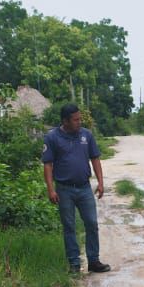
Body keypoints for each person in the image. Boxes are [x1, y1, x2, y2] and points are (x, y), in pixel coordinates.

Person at [42, 103, 111, 273]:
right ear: (65, 121)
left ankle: (94, 261)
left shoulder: (86, 135)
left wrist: (101, 183)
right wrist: (51, 189)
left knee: (92, 223)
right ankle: (74, 264)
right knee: (69, 226)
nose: (79, 122)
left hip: (85, 188)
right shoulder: (52, 137)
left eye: (80, 119)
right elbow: (48, 165)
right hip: (64, 189)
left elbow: (95, 159)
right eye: (76, 119)